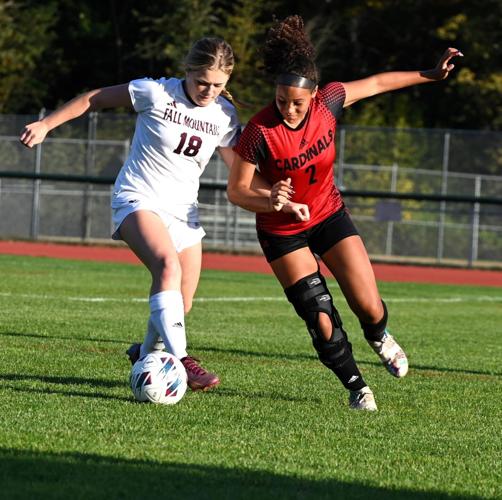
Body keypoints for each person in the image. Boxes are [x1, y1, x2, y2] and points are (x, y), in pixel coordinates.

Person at [227, 15, 463, 410]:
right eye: (281, 100)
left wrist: (429, 75)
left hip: (328, 214)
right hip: (281, 230)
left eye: (297, 102)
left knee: (368, 305)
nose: (287, 109)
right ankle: (357, 387)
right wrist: (271, 200)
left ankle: (378, 336)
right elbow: (237, 190)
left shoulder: (329, 102)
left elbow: (375, 83)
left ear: (315, 93)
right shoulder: (259, 131)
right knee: (317, 312)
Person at [20, 37, 268, 392]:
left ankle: (146, 353)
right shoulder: (155, 92)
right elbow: (95, 98)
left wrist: (276, 193)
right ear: (187, 71)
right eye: (202, 82)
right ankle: (182, 361)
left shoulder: (224, 115)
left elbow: (237, 170)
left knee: (183, 301)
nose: (208, 90)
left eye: (218, 85)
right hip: (139, 198)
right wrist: (46, 125)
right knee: (167, 266)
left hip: (183, 213)